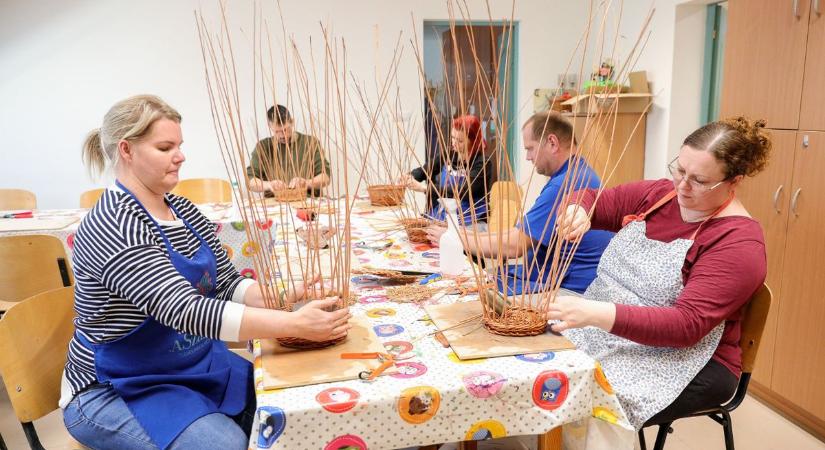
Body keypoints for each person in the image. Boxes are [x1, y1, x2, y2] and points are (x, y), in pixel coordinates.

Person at [64, 95, 351, 450]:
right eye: (165, 147)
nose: (180, 155)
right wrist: (293, 324)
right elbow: (185, 310)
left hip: (188, 365)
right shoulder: (115, 225)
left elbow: (228, 284)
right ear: (127, 150)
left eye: (179, 145)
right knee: (227, 445)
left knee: (285, 409)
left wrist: (282, 298)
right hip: (118, 387)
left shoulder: (182, 209)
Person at [551, 116, 770, 429]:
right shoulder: (659, 196)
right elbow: (594, 198)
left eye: (700, 180)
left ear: (734, 182)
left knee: (581, 392)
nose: (682, 185)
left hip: (687, 359)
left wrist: (594, 313)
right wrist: (577, 209)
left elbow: (686, 326)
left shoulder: (738, 243)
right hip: (610, 330)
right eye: (680, 169)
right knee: (540, 365)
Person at [426, 111, 613, 295]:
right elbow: (521, 233)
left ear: (552, 143)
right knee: (473, 282)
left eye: (530, 148)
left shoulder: (565, 183)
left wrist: (457, 239)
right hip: (551, 277)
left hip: (566, 288)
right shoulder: (577, 172)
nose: (527, 157)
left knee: (467, 293)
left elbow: (514, 246)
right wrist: (461, 233)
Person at [402, 115, 493, 227]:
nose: (454, 143)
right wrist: (410, 176)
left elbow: (461, 192)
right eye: (452, 138)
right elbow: (426, 170)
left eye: (459, 141)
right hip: (443, 215)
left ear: (473, 141)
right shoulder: (449, 154)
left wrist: (425, 189)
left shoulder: (483, 163)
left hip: (471, 220)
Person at [247, 104, 331, 197]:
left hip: (307, 202)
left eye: (284, 130)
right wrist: (268, 185)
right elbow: (250, 181)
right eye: (276, 131)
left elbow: (325, 177)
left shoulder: (311, 143)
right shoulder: (263, 147)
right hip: (276, 204)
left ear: (292, 122)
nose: (282, 135)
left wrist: (306, 183)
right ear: (270, 126)